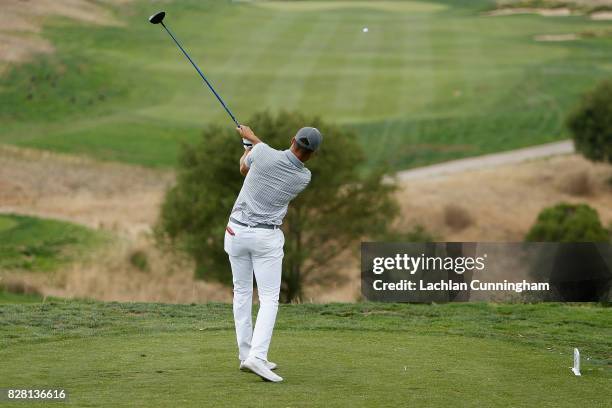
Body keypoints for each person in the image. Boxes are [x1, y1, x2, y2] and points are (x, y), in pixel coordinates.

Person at [224, 124, 322, 382]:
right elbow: (266, 159)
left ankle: (247, 354)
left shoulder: (263, 152)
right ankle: (256, 357)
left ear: (293, 140)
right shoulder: (304, 177)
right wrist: (253, 141)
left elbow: (244, 168)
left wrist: (249, 142)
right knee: (269, 298)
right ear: (312, 154)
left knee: (242, 292)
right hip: (265, 238)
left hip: (235, 231)